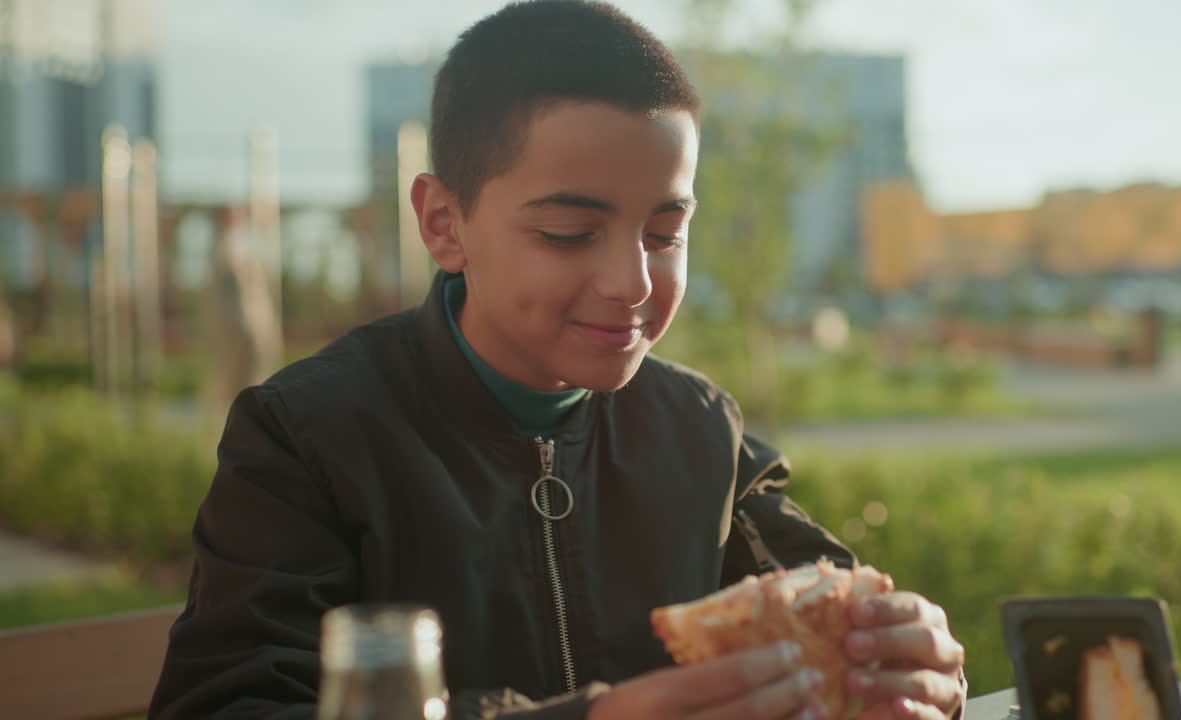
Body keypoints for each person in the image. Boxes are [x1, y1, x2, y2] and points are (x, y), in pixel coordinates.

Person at [148, 2, 966, 719]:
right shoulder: (305, 438)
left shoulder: (698, 431)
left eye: (665, 232)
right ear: (443, 223)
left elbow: (832, 601)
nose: (633, 282)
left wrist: (907, 659)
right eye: (569, 234)